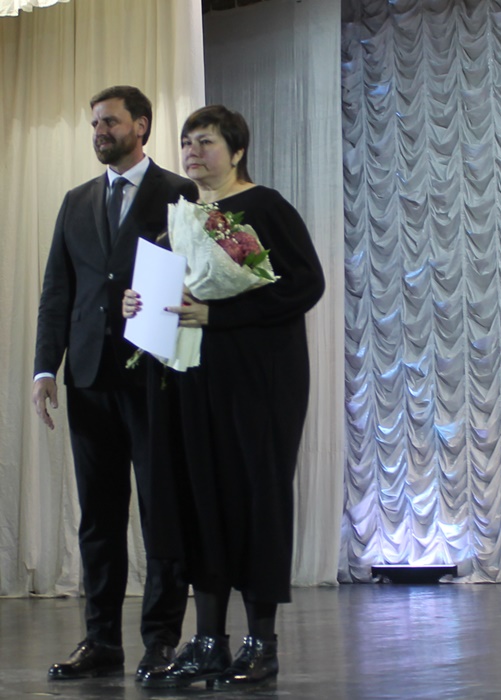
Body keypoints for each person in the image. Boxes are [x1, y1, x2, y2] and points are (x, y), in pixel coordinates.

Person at [127, 105, 325, 690]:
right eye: (187, 142)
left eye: (206, 141)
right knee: (200, 501)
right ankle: (209, 641)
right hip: (191, 378)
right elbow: (170, 293)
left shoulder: (264, 207)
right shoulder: (181, 216)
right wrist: (136, 305)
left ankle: (262, 645)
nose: (192, 151)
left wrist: (221, 314)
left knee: (256, 501)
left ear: (237, 151)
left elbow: (305, 285)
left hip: (259, 383)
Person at [32, 86, 197, 681]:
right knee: (98, 518)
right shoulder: (76, 201)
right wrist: (45, 368)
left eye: (110, 122)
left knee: (161, 513)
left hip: (154, 378)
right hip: (88, 379)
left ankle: (160, 641)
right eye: (95, 123)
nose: (99, 131)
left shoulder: (179, 193)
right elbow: (58, 289)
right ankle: (101, 640)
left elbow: (196, 279)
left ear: (141, 126)